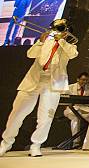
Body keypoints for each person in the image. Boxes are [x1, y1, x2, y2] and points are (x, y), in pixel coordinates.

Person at [0, 24, 78, 157]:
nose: (58, 32)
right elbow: (30, 54)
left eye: (62, 30)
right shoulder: (45, 42)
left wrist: (62, 40)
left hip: (53, 84)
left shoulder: (70, 46)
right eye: (58, 29)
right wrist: (40, 42)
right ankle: (6, 143)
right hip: (33, 80)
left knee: (46, 117)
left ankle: (36, 145)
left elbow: (73, 54)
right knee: (17, 113)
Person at [63, 71, 89, 148]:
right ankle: (75, 143)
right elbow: (64, 98)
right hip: (71, 109)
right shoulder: (70, 87)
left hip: (84, 109)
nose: (85, 82)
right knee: (75, 118)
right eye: (83, 80)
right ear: (78, 79)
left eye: (87, 80)